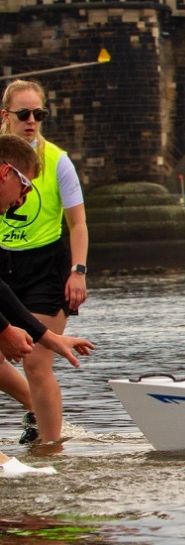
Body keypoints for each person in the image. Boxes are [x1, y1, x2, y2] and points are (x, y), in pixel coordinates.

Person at [0, 80, 94, 449]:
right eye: (23, 114)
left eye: (39, 114)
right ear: (5, 116)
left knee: (37, 362)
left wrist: (79, 271)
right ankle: (35, 408)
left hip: (45, 266)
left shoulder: (58, 160)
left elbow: (79, 223)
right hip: (5, 262)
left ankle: (51, 450)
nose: (32, 121)